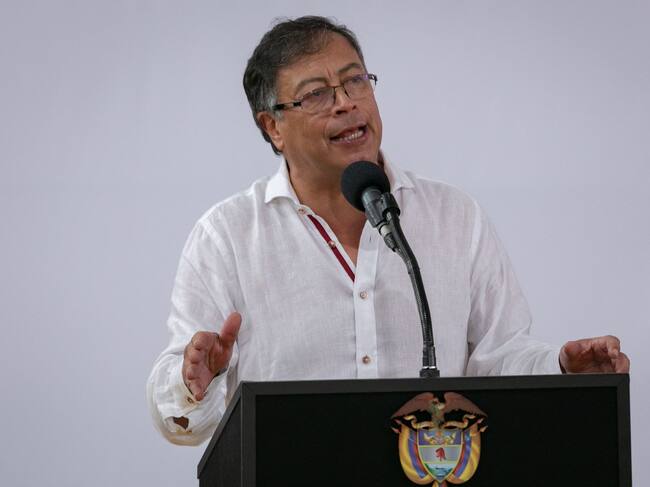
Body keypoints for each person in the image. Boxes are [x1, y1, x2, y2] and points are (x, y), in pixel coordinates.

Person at [146, 16, 629, 446]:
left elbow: (498, 359)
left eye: (355, 80)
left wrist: (560, 370)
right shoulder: (227, 237)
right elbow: (180, 422)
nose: (346, 103)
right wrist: (194, 383)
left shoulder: (453, 217)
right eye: (316, 94)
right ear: (273, 126)